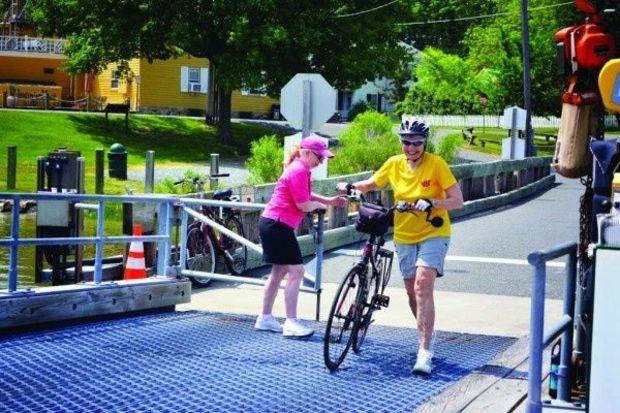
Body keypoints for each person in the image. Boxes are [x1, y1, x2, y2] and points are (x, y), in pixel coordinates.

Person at [338, 119, 463, 374]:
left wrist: (432, 202)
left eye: (417, 143)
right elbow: (372, 183)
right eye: (406, 142)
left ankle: (425, 352)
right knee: (411, 292)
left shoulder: (436, 164)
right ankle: (424, 332)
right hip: (404, 234)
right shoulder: (395, 163)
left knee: (422, 284)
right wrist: (351, 186)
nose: (411, 148)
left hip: (434, 231)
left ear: (424, 143)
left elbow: (457, 200)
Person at [255, 134, 346, 338]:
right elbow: (304, 204)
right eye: (319, 157)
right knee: (297, 272)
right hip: (278, 225)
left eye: (323, 158)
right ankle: (291, 322)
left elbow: (306, 195)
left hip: (273, 223)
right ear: (306, 152)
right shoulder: (298, 170)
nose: (321, 161)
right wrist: (319, 206)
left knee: (278, 272)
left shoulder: (301, 169)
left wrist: (329, 201)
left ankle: (265, 317)